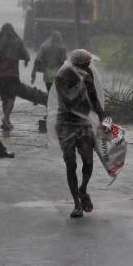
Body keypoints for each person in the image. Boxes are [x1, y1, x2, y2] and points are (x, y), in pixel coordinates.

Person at [54, 49, 107, 218]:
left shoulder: (88, 74)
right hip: (65, 123)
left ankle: (83, 189)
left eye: (88, 64)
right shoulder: (62, 76)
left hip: (83, 121)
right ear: (75, 65)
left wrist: (103, 117)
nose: (87, 67)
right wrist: (81, 84)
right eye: (84, 65)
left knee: (88, 160)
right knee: (71, 164)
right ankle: (77, 204)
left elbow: (94, 99)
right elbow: (69, 101)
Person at [0, 23, 30, 130]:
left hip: (0, 75)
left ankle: (7, 121)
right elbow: (26, 55)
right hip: (12, 75)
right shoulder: (17, 41)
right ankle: (5, 117)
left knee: (4, 99)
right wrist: (25, 60)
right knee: (11, 97)